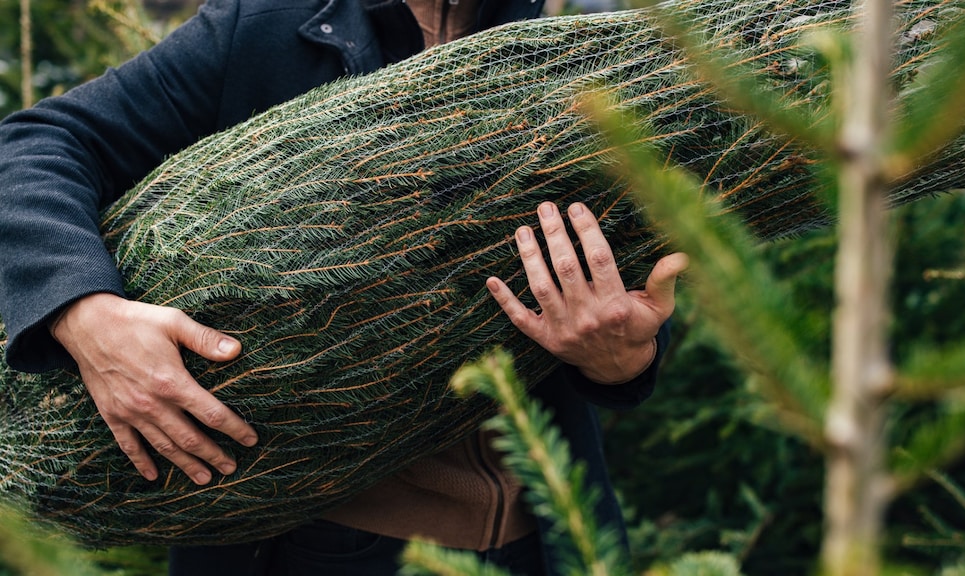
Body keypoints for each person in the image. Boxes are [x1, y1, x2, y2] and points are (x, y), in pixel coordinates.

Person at [0, 0, 687, 574]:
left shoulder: (575, 45)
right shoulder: (267, 28)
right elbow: (33, 144)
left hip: (552, 534)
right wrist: (83, 311)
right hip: (318, 546)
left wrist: (624, 358)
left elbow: (645, 267)